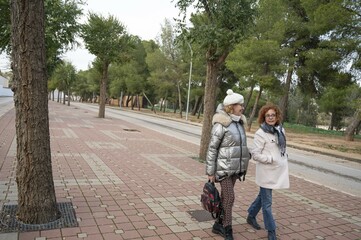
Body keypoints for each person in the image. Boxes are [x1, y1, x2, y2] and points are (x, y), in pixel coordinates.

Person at [206, 89, 251, 240]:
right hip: (223, 169)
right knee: (230, 198)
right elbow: (212, 149)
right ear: (231, 106)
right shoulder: (221, 124)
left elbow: (239, 146)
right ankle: (227, 228)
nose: (242, 108)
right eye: (240, 105)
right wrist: (210, 172)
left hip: (235, 169)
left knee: (226, 198)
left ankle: (218, 224)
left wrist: (246, 158)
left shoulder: (239, 123)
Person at [246, 103, 289, 240]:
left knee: (262, 197)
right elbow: (255, 154)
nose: (270, 118)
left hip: (277, 171)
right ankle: (271, 231)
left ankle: (251, 215)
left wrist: (283, 158)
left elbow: (281, 149)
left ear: (277, 116)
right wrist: (271, 159)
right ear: (263, 117)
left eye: (273, 115)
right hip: (266, 172)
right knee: (267, 203)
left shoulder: (281, 130)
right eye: (267, 115)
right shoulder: (261, 133)